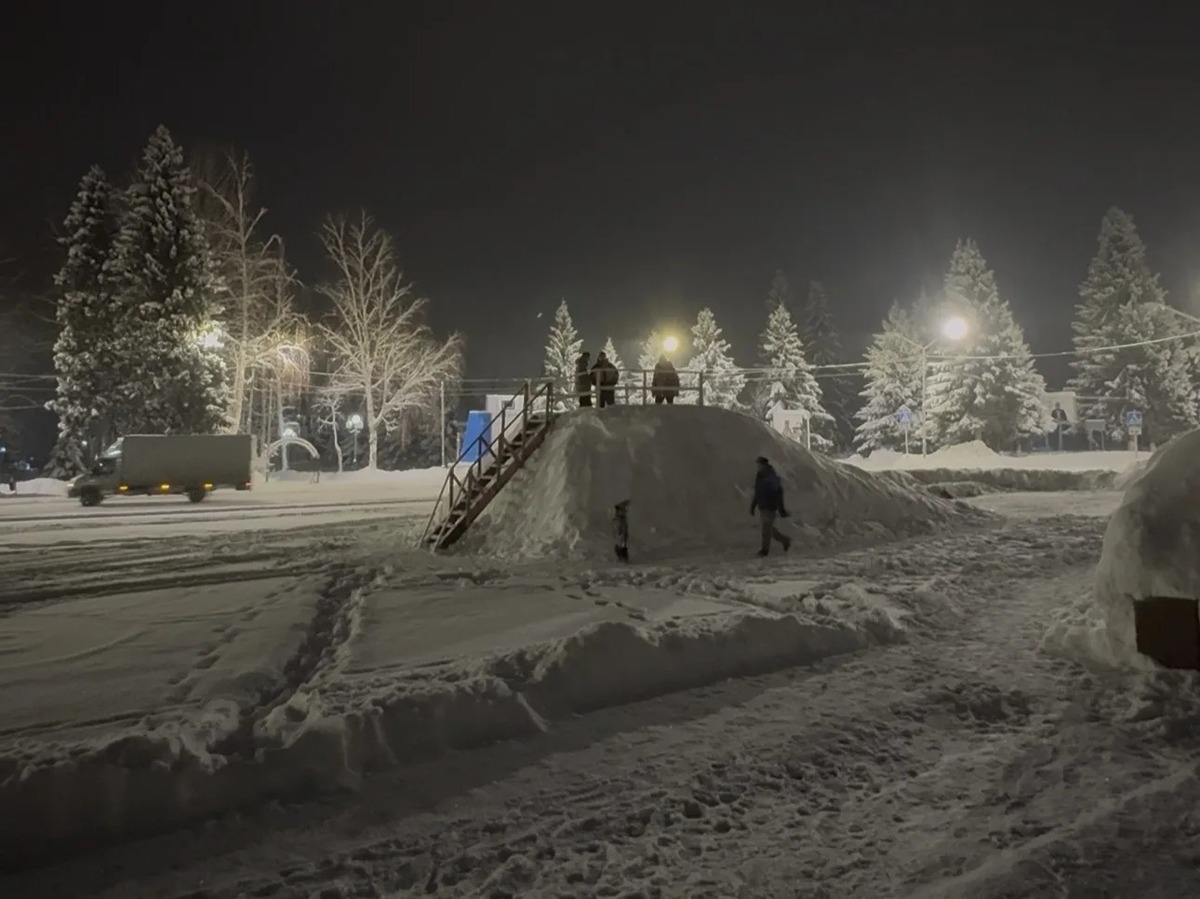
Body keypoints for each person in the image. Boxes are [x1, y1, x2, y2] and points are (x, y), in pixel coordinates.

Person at [750, 455, 791, 557]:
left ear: (763, 464)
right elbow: (757, 492)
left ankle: (764, 550)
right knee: (768, 528)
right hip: (763, 505)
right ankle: (785, 540)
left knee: (766, 528)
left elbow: (778, 491)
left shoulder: (771, 475)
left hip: (770, 505)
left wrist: (781, 507)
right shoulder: (760, 476)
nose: (757, 466)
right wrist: (753, 505)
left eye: (759, 464)